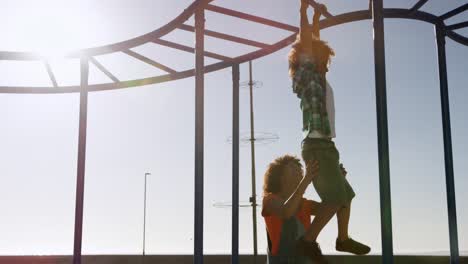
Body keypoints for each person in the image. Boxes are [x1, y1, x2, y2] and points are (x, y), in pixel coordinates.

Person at [287, 0, 371, 263]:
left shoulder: (319, 77)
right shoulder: (306, 74)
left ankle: (342, 239)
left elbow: (314, 40)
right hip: (316, 146)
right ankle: (308, 240)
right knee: (334, 198)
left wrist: (315, 18)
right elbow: (307, 43)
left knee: (345, 195)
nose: (326, 65)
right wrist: (303, 11)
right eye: (323, 60)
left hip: (327, 146)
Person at [262, 155, 320, 264]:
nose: (298, 171)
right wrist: (306, 180)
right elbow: (286, 212)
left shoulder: (305, 203)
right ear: (280, 176)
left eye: (299, 169)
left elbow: (335, 206)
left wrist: (338, 183)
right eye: (292, 168)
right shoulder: (270, 200)